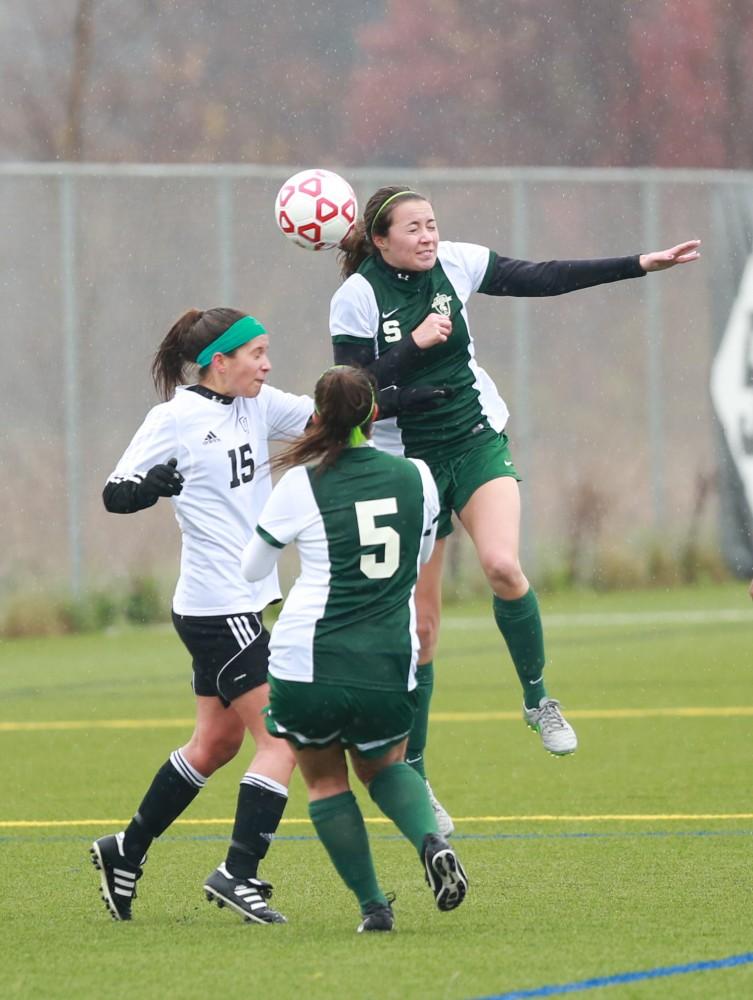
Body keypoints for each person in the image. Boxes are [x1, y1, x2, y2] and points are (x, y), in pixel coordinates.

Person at [329, 184, 702, 835]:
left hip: (473, 441)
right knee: (420, 633)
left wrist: (640, 263)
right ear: (380, 238)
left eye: (431, 224)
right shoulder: (356, 296)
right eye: (412, 228)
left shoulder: (458, 264)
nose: (427, 236)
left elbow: (546, 277)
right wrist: (413, 345)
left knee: (503, 565)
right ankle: (413, 772)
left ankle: (537, 700)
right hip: (405, 468)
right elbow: (358, 400)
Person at [90, 307, 315, 924]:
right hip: (221, 607)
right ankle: (238, 873)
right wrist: (151, 485)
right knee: (283, 738)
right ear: (222, 360)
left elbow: (331, 412)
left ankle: (125, 849)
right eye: (258, 353)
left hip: (227, 606)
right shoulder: (174, 419)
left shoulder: (258, 404)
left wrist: (400, 380)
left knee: (215, 743)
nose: (267, 364)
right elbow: (115, 492)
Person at [240, 364, 468, 933]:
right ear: (373, 413)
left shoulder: (301, 483)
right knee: (384, 766)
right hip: (388, 658)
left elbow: (251, 569)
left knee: (324, 781)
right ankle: (429, 840)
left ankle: (374, 907)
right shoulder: (417, 476)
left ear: (318, 417)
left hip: (307, 659)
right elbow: (414, 563)